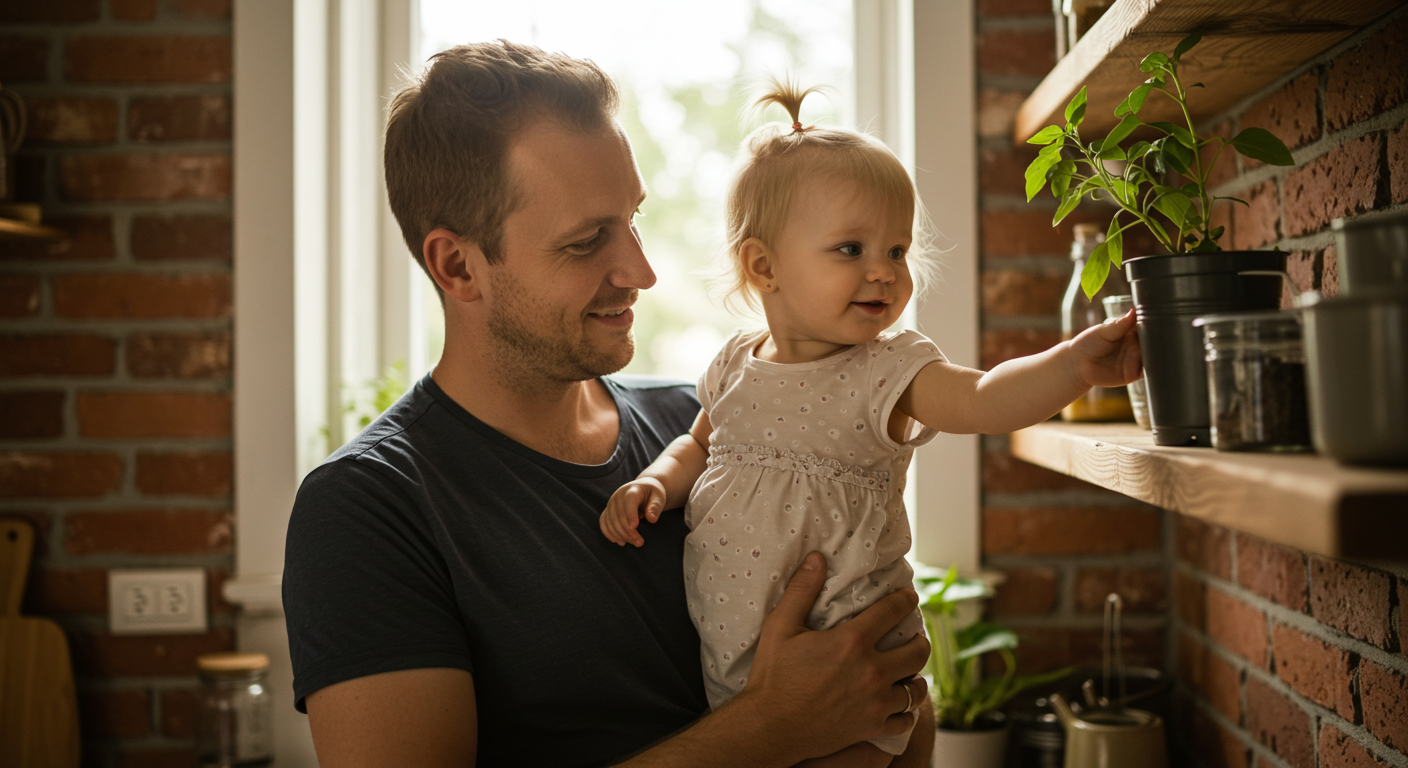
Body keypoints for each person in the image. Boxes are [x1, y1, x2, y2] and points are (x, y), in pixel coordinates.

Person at [282, 41, 935, 768]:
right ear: (457, 264)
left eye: (632, 221)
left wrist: (889, 690)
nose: (641, 270)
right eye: (588, 241)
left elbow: (893, 700)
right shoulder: (370, 509)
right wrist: (766, 730)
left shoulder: (716, 427)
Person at [599, 83, 1144, 765]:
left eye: (897, 250)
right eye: (851, 250)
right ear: (762, 266)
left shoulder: (887, 371)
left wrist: (1071, 367)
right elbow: (698, 444)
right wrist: (655, 483)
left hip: (856, 664)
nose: (884, 272)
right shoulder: (735, 362)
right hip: (740, 665)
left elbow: (981, 398)